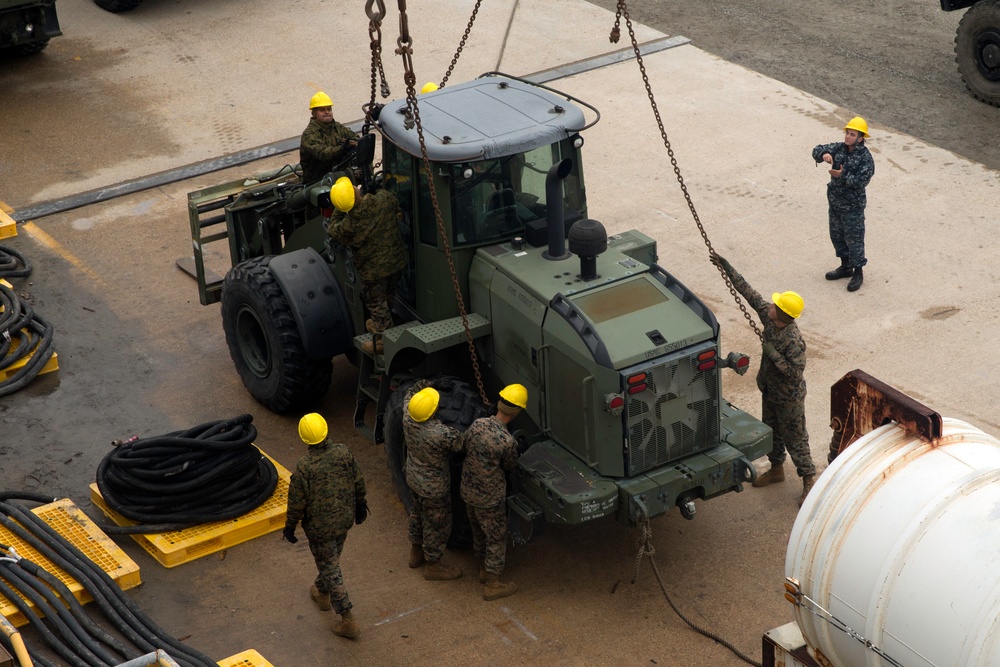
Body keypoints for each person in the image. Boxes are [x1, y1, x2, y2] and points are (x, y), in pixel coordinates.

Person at [712, 255, 816, 507]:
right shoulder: (771, 319)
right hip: (770, 391)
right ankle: (777, 469)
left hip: (789, 399)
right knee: (772, 432)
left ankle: (809, 480)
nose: (769, 304)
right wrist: (727, 268)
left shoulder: (793, 341)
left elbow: (794, 372)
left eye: (775, 305)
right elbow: (749, 293)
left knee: (795, 438)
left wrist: (772, 354)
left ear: (782, 314)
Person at [284, 413, 368, 639]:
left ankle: (347, 617)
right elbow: (358, 481)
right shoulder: (343, 452)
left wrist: (290, 526)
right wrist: (360, 506)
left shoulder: (305, 466)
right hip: (343, 520)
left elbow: (296, 502)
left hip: (319, 528)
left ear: (304, 439)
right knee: (330, 560)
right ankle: (321, 592)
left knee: (330, 566)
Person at [459, 383, 527, 601]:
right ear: (516, 412)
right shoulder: (506, 441)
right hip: (489, 499)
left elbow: (464, 445)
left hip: (468, 492)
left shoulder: (478, 425)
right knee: (496, 538)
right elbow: (510, 465)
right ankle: (492, 584)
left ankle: (483, 569)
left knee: (478, 532)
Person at [327, 177, 407, 355]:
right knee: (388, 295)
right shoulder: (384, 200)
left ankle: (382, 340)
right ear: (356, 191)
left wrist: (340, 209)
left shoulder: (348, 225)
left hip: (373, 273)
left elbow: (332, 230)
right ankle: (382, 323)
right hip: (397, 262)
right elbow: (394, 203)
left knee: (376, 302)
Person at [402, 381, 464, 580]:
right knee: (436, 525)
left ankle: (415, 552)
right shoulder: (440, 434)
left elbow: (409, 392)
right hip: (434, 489)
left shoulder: (407, 415)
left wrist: (423, 384)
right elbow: (462, 442)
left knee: (417, 515)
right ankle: (433, 566)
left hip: (413, 478)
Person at [812, 116, 876, 292]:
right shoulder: (838, 148)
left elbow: (862, 181)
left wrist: (842, 176)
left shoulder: (865, 158)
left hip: (852, 207)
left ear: (860, 138)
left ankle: (858, 272)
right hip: (835, 204)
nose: (848, 137)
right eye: (847, 133)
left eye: (852, 134)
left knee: (854, 240)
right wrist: (822, 155)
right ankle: (845, 266)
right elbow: (816, 149)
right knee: (837, 236)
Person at [300, 91, 358, 184]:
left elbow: (355, 137)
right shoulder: (309, 134)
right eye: (322, 110)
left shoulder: (337, 127)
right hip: (318, 180)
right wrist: (342, 148)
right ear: (314, 113)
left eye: (329, 109)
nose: (327, 112)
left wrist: (353, 143)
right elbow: (323, 153)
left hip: (339, 174)